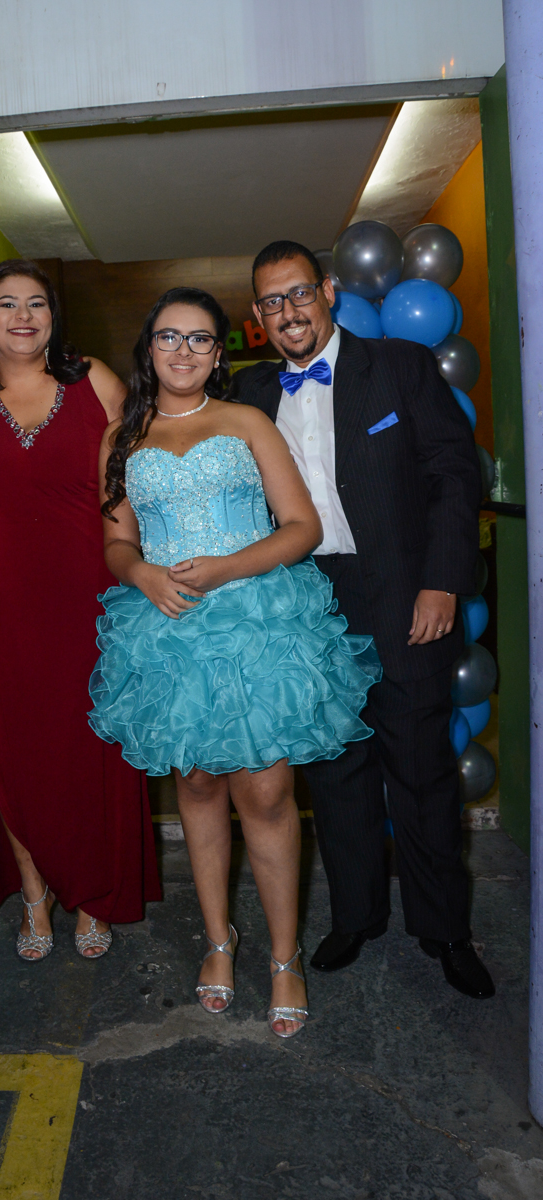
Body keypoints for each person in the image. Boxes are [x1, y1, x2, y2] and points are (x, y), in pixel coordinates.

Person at [88, 287, 381, 1037]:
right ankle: (219, 941)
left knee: (267, 794)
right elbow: (116, 541)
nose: (181, 351)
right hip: (168, 628)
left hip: (257, 622)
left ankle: (284, 958)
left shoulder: (247, 420)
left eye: (198, 339)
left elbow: (300, 526)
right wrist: (140, 573)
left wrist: (224, 568)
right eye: (167, 337)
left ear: (219, 354)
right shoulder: (120, 436)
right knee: (195, 784)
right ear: (147, 348)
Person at [229, 239, 495, 999]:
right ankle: (356, 917)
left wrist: (442, 583)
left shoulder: (401, 367)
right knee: (336, 773)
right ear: (257, 318)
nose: (288, 311)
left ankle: (444, 930)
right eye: (272, 302)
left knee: (419, 768)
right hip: (307, 604)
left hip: (403, 594)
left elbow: (451, 476)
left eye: (298, 293)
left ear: (329, 291)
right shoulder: (248, 394)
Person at [0, 259, 161, 960]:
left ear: (52, 317)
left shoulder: (91, 378)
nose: (22, 316)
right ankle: (35, 892)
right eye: (5, 304)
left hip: (87, 590)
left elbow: (138, 475)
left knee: (90, 743)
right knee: (14, 750)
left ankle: (94, 893)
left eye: (35, 303)